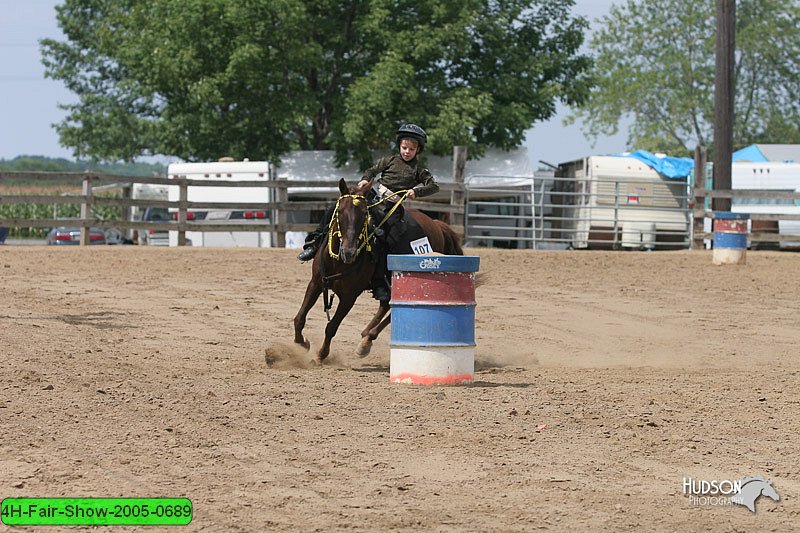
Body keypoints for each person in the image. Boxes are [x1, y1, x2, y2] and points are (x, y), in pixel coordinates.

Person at [297, 123, 440, 301]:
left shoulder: (419, 170)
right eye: (404, 147)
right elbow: (372, 170)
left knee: (386, 238)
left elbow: (433, 186)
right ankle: (314, 243)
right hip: (373, 197)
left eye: (411, 149)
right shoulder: (389, 160)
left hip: (391, 207)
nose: (407, 152)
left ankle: (379, 280)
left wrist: (416, 191)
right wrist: (365, 180)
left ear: (418, 150)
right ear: (399, 146)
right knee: (336, 209)